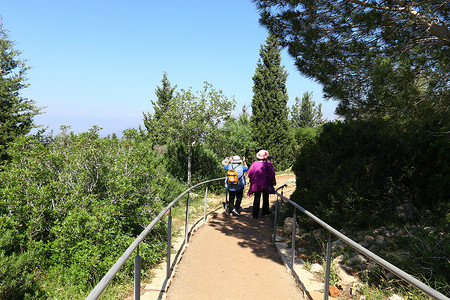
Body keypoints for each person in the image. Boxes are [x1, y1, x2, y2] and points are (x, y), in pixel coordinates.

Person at [247, 150, 276, 218]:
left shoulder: (254, 164)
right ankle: (265, 212)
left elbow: (250, 174)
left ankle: (255, 214)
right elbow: (272, 174)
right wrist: (274, 181)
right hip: (266, 183)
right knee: (266, 198)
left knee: (257, 198)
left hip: (256, 184)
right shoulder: (268, 164)